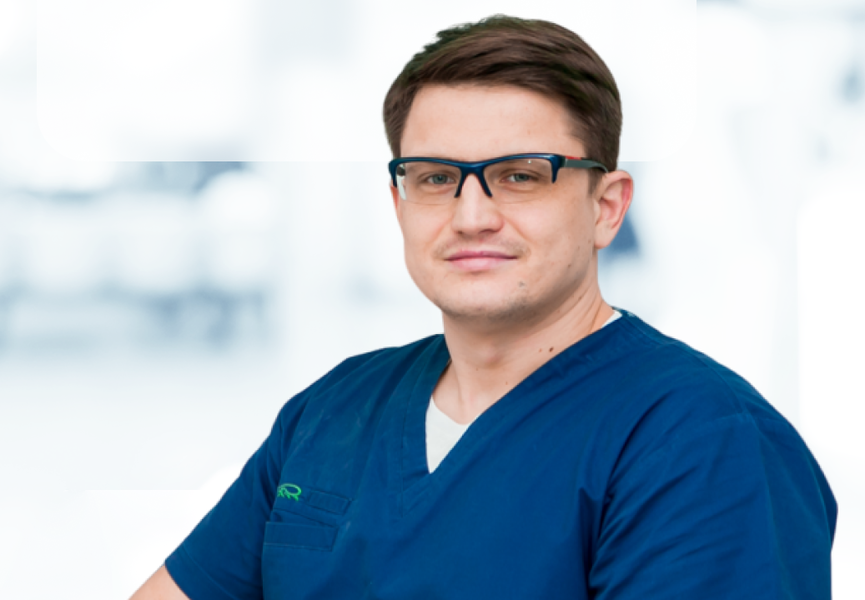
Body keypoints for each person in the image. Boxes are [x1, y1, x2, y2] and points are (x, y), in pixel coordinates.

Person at [131, 15, 837, 600]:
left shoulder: (700, 441)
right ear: (399, 203)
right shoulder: (332, 412)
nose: (472, 216)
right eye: (436, 178)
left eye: (521, 176)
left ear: (606, 206)